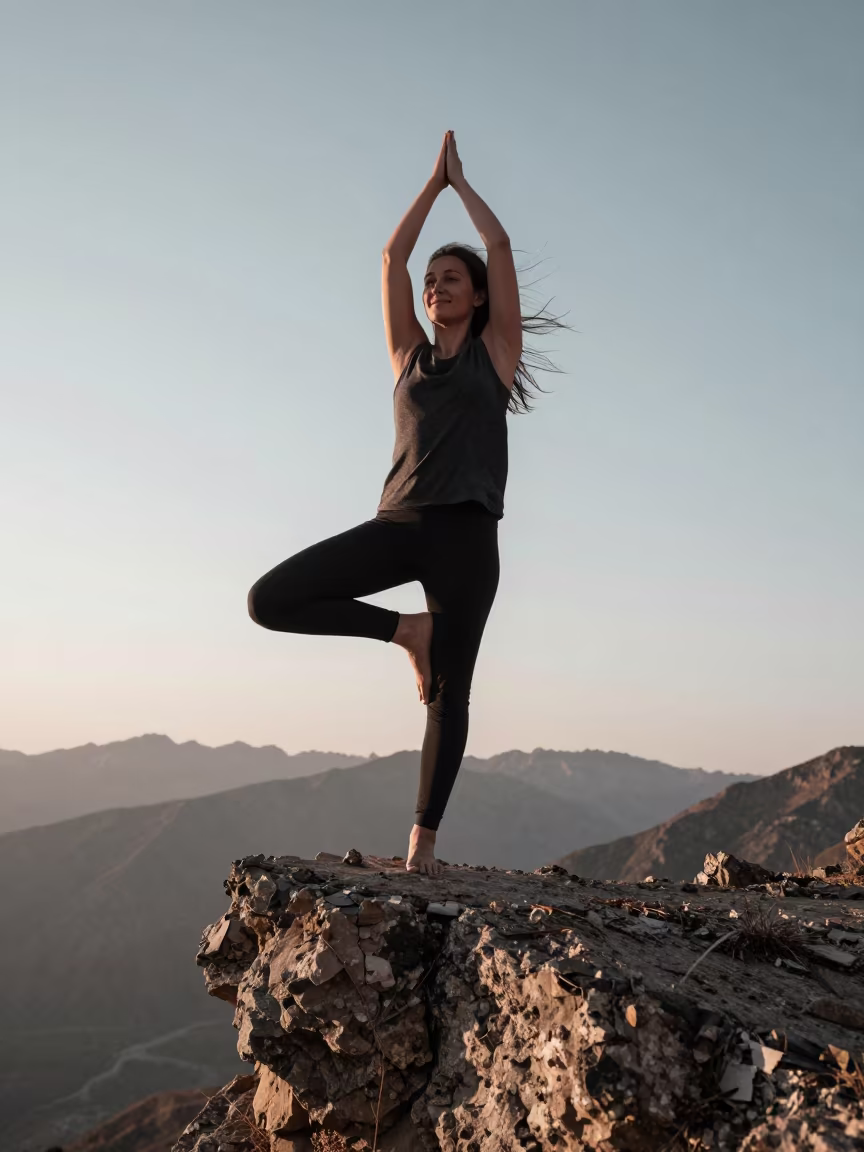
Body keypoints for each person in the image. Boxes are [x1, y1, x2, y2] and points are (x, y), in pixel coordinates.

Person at [247, 131, 567, 875]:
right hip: (398, 524)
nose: (436, 285)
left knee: (449, 698)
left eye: (452, 277)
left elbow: (502, 241)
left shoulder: (497, 355)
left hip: (466, 539)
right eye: (433, 280)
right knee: (271, 599)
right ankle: (404, 631)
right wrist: (429, 187)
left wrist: (461, 184)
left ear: (478, 294)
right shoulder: (406, 357)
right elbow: (390, 260)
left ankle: (422, 845)